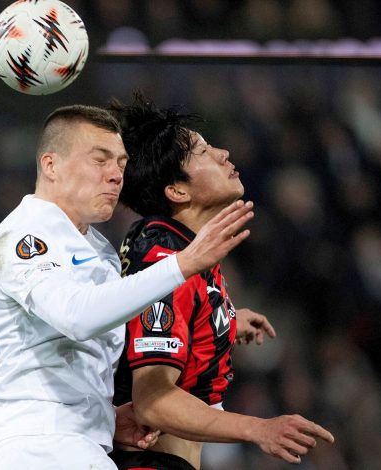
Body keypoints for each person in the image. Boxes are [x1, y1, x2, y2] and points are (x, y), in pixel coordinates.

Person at [0, 104, 256, 470]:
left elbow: (111, 332)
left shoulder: (98, 251)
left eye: (121, 164)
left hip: (83, 448)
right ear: (51, 165)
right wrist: (182, 264)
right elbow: (76, 316)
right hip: (37, 451)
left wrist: (106, 418)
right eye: (100, 160)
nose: (114, 176)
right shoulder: (25, 235)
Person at [108, 96, 335, 470]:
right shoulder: (165, 258)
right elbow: (152, 400)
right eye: (202, 151)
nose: (223, 153)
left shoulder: (179, 245)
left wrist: (223, 320)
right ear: (177, 191)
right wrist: (259, 429)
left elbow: (167, 316)